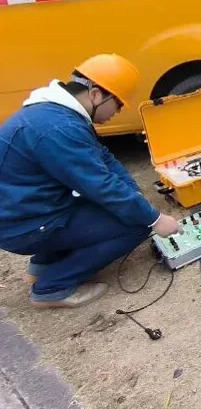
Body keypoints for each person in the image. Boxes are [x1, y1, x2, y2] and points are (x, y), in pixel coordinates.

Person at [0, 54, 181, 309]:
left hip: (27, 211)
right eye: (117, 104)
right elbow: (101, 187)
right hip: (23, 225)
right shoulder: (59, 128)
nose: (117, 112)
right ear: (96, 94)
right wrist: (154, 219)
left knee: (115, 209)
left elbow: (103, 157)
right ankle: (52, 287)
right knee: (136, 225)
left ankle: (43, 266)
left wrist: (133, 192)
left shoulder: (56, 113)